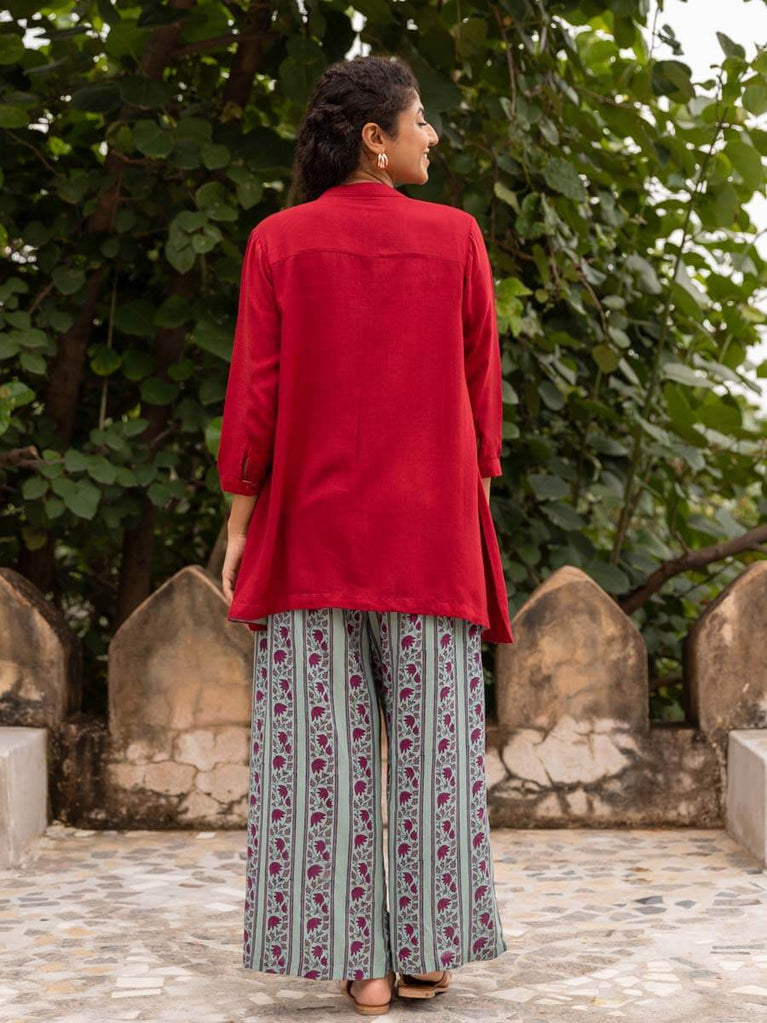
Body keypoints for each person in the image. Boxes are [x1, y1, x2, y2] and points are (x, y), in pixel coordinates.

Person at [218, 53, 514, 1016]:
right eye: (419, 120)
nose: (433, 134)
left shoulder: (278, 242)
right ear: (374, 140)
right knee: (436, 754)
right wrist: (474, 512)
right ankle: (427, 951)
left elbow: (254, 398)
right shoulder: (456, 237)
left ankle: (363, 968)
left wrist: (238, 519)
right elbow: (480, 396)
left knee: (321, 761)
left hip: (310, 537)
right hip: (429, 537)